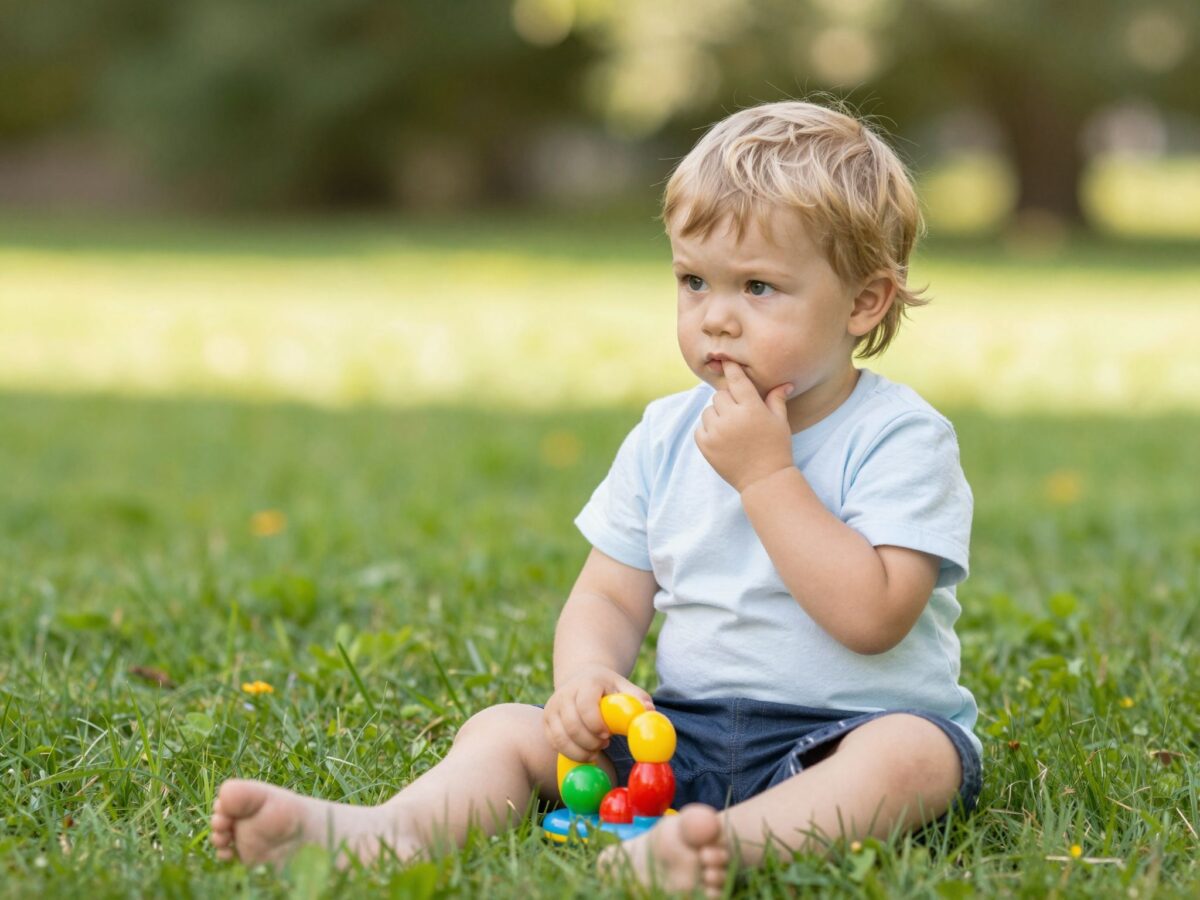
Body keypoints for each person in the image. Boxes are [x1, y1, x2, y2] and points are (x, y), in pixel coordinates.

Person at [210, 100, 979, 896]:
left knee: (915, 758)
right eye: (693, 281)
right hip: (677, 740)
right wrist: (587, 678)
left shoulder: (899, 437)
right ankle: (385, 833)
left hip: (842, 738)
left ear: (864, 302)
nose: (715, 316)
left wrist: (767, 477)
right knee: (504, 730)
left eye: (757, 286)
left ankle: (729, 846)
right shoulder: (665, 433)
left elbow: (873, 617)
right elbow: (609, 594)